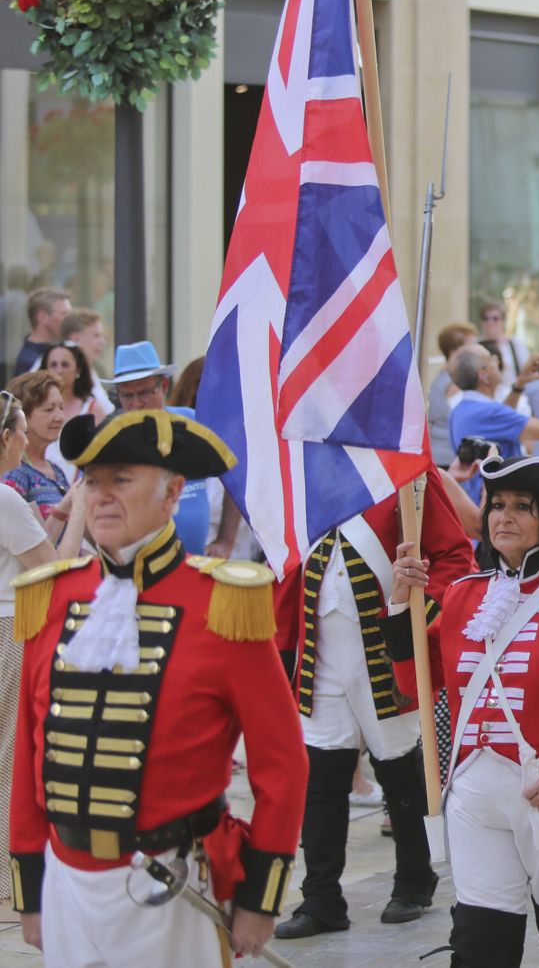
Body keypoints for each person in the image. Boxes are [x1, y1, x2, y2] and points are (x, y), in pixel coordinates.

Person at [9, 410, 306, 962]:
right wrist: (29, 885)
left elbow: (282, 765)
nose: (100, 497)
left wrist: (260, 899)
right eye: (91, 482)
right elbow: (31, 754)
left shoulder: (224, 604)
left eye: (120, 480)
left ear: (172, 493)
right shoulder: (52, 598)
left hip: (169, 887)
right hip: (66, 884)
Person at [385, 457, 539, 968]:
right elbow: (413, 683)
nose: (504, 516)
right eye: (496, 505)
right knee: (480, 945)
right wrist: (399, 603)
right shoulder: (462, 596)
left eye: (521, 507)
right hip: (475, 797)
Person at [271, 466, 476, 939]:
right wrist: (282, 652)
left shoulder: (408, 475)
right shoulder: (306, 473)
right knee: (320, 776)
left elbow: (453, 557)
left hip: (384, 653)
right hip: (319, 652)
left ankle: (414, 880)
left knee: (400, 769)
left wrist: (414, 623)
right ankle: (321, 897)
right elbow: (288, 569)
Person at [0, 389, 87, 908]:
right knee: (12, 757)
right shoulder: (6, 496)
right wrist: (77, 507)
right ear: (8, 437)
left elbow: (28, 545)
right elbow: (56, 572)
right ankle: (7, 878)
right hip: (11, 632)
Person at [105, 341, 241, 558]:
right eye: (127, 396)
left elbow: (234, 470)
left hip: (195, 563)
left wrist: (226, 540)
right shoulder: (109, 438)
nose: (137, 403)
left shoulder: (191, 422)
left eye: (144, 393)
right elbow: (87, 501)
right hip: (136, 567)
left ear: (164, 386)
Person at [448, 343, 539, 503]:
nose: (498, 362)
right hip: (501, 503)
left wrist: (520, 383)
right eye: (492, 359)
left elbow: (501, 421)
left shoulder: (459, 410)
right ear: (483, 375)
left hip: (478, 499)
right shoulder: (490, 412)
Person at [3, 371, 72, 541]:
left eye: (61, 408)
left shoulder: (56, 471)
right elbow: (31, 545)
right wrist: (63, 509)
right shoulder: (14, 474)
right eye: (49, 409)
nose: (60, 417)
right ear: (22, 416)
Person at [429, 322, 482, 468]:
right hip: (448, 458)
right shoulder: (450, 383)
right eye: (471, 346)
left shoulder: (447, 378)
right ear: (455, 351)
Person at [478, 301, 533, 397]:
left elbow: (526, 371)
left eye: (495, 319)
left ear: (503, 321)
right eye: (485, 318)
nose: (490, 323)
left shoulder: (515, 344)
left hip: (513, 396)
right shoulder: (475, 346)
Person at [41, 341, 104, 423]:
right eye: (53, 365)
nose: (59, 371)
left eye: (65, 365)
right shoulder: (35, 407)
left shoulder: (92, 409)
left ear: (78, 370)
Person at [12, 288, 68, 378]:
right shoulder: (32, 362)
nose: (69, 319)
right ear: (43, 317)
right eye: (64, 314)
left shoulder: (58, 348)